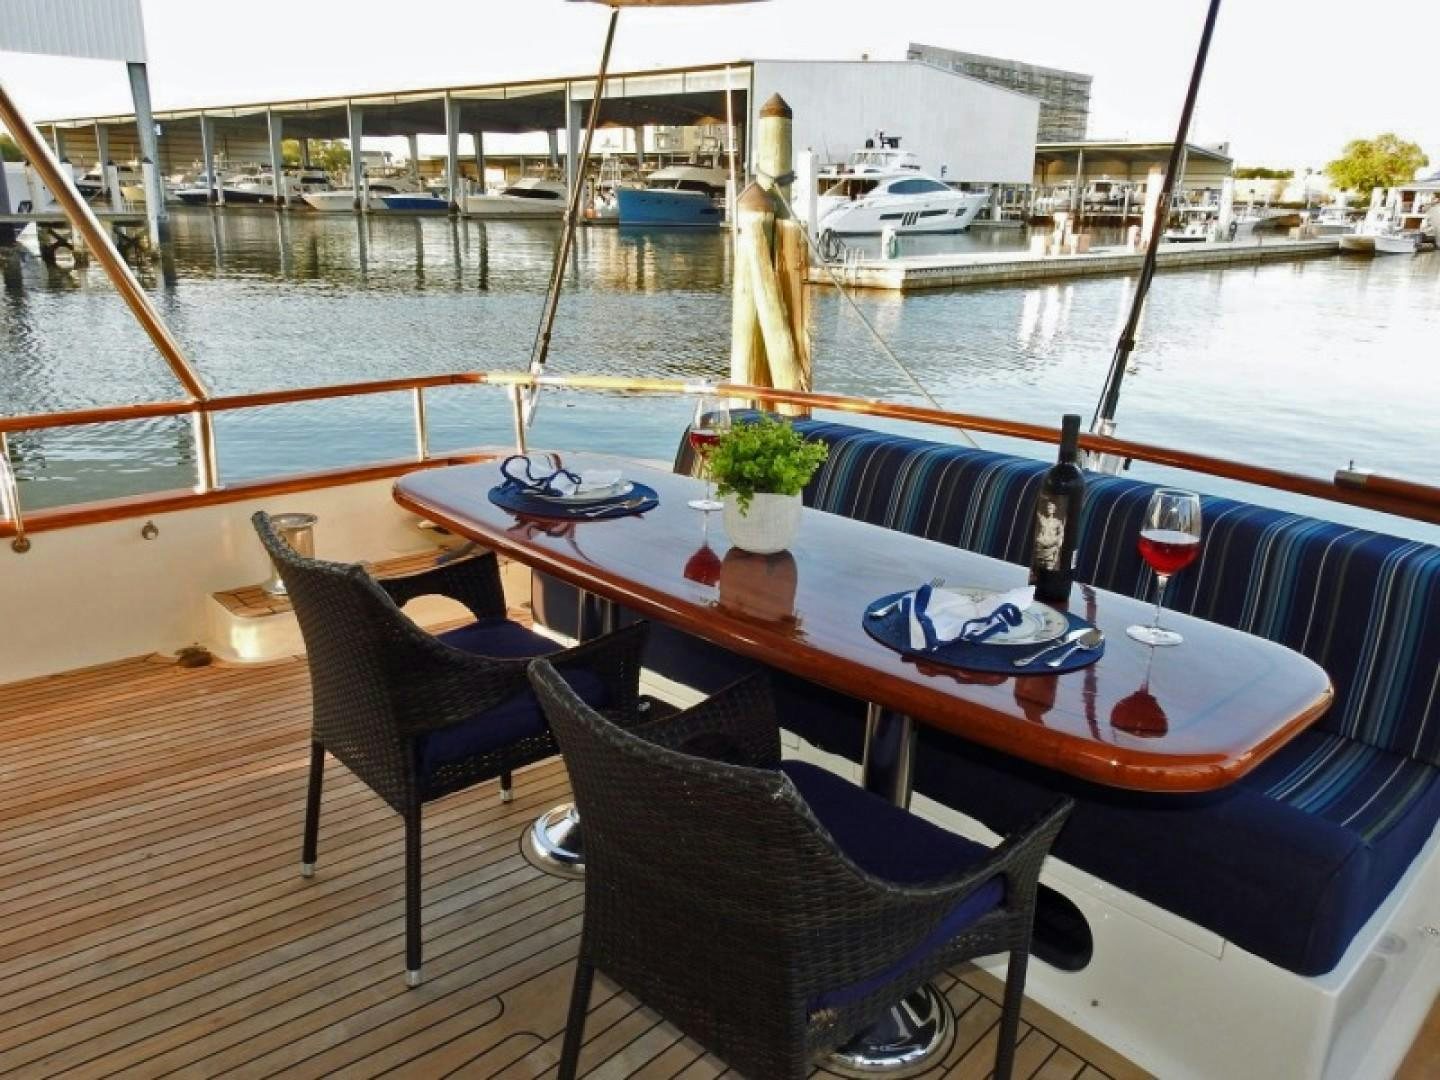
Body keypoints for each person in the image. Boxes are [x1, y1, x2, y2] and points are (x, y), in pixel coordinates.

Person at [1034, 500, 1064, 571]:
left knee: (1049, 569)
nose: (1049, 509)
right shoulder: (1042, 519)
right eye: (1048, 508)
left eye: (1050, 508)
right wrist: (1039, 540)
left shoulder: (1057, 522)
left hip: (1051, 549)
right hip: (1041, 548)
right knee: (1039, 570)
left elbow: (1061, 534)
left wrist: (1056, 543)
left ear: (1054, 510)